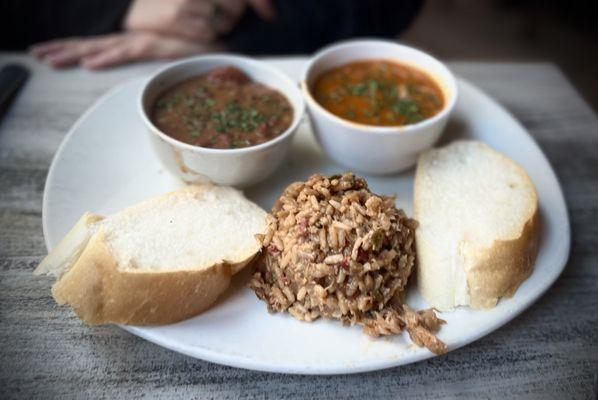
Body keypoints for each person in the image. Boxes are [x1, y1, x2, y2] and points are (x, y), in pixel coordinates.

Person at [0, 0, 423, 69]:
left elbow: (384, 8)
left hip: (290, 54)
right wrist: (122, 8)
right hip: (84, 58)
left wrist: (227, 37)